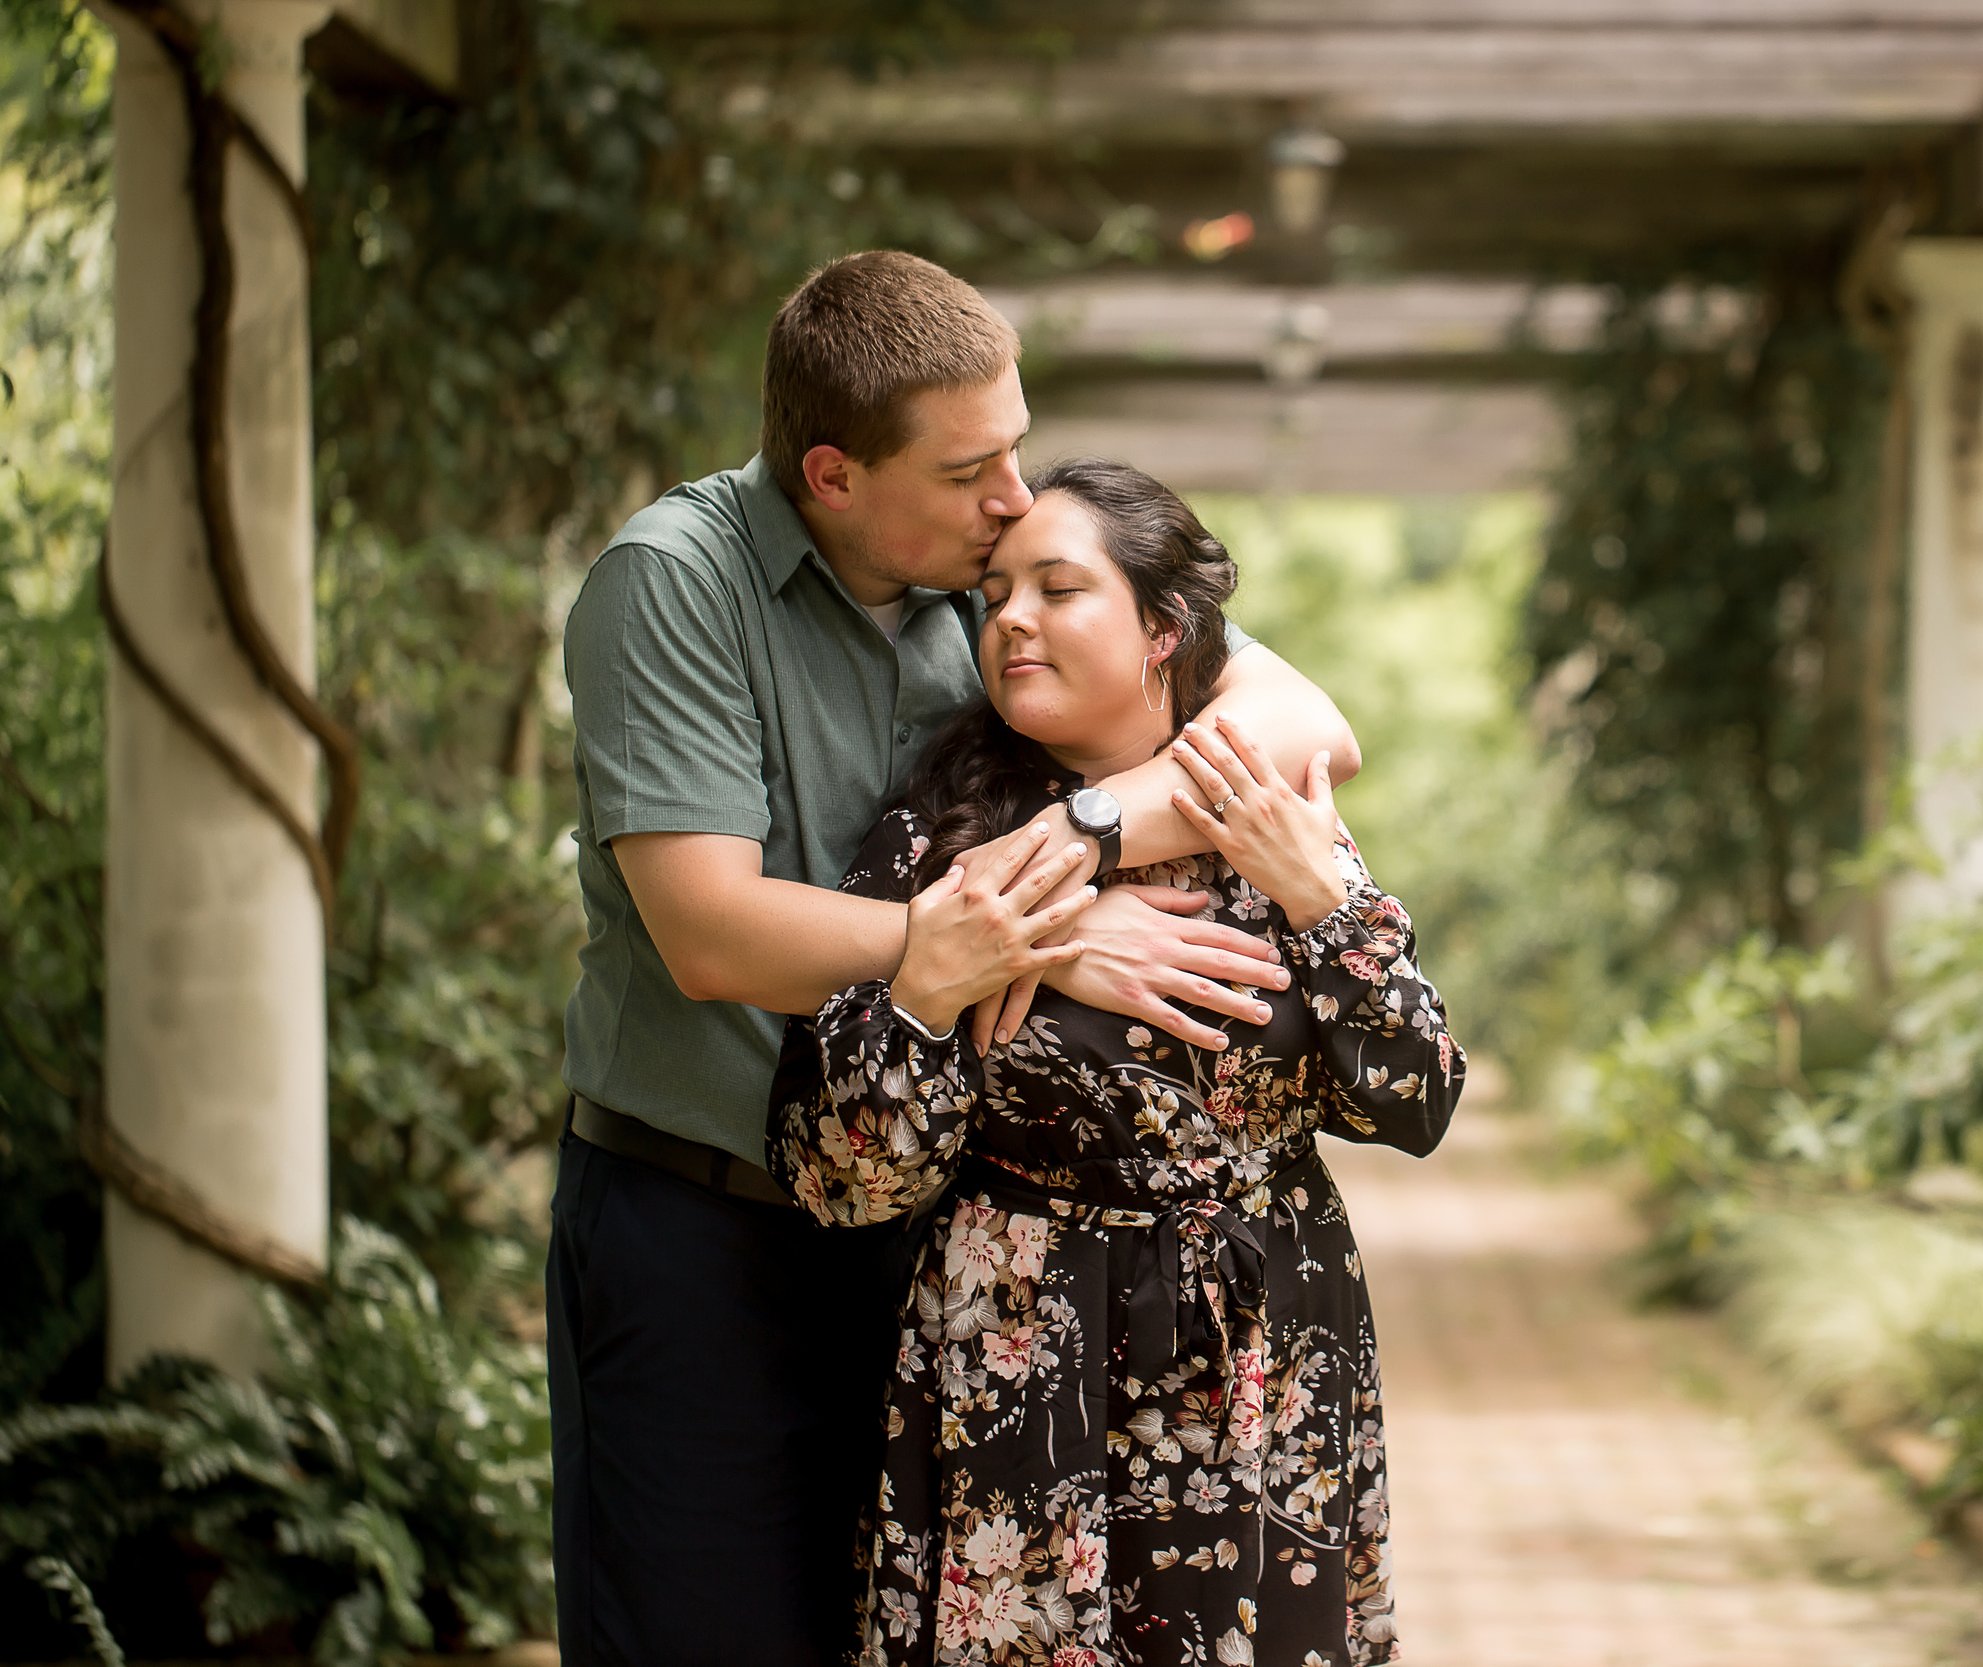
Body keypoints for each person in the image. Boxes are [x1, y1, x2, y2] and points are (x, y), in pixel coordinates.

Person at [549, 253, 1359, 1667]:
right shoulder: (673, 582)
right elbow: (711, 931)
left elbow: (1303, 723)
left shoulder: (1005, 588)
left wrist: (1087, 839)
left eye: (1018, 443)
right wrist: (1027, 944)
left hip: (934, 1248)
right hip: (703, 1229)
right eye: (972, 465)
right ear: (835, 473)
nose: (1012, 494)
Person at [767, 459, 1465, 1667]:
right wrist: (934, 984)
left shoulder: (1271, 810)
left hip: (1264, 1350)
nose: (1012, 618)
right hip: (1021, 1352)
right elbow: (838, 1178)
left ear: (1164, 631)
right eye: (994, 594)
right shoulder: (942, 839)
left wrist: (1321, 898)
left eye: (1058, 587)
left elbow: (1417, 1097)